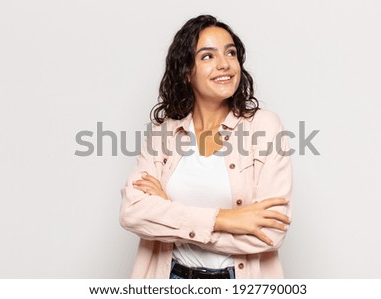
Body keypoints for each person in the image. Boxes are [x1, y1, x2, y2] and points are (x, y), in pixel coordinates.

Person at [119, 15, 292, 279]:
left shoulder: (265, 127)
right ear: (187, 71)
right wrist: (225, 219)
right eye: (207, 56)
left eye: (230, 53)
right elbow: (133, 212)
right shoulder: (163, 132)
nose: (224, 64)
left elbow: (270, 233)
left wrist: (170, 213)